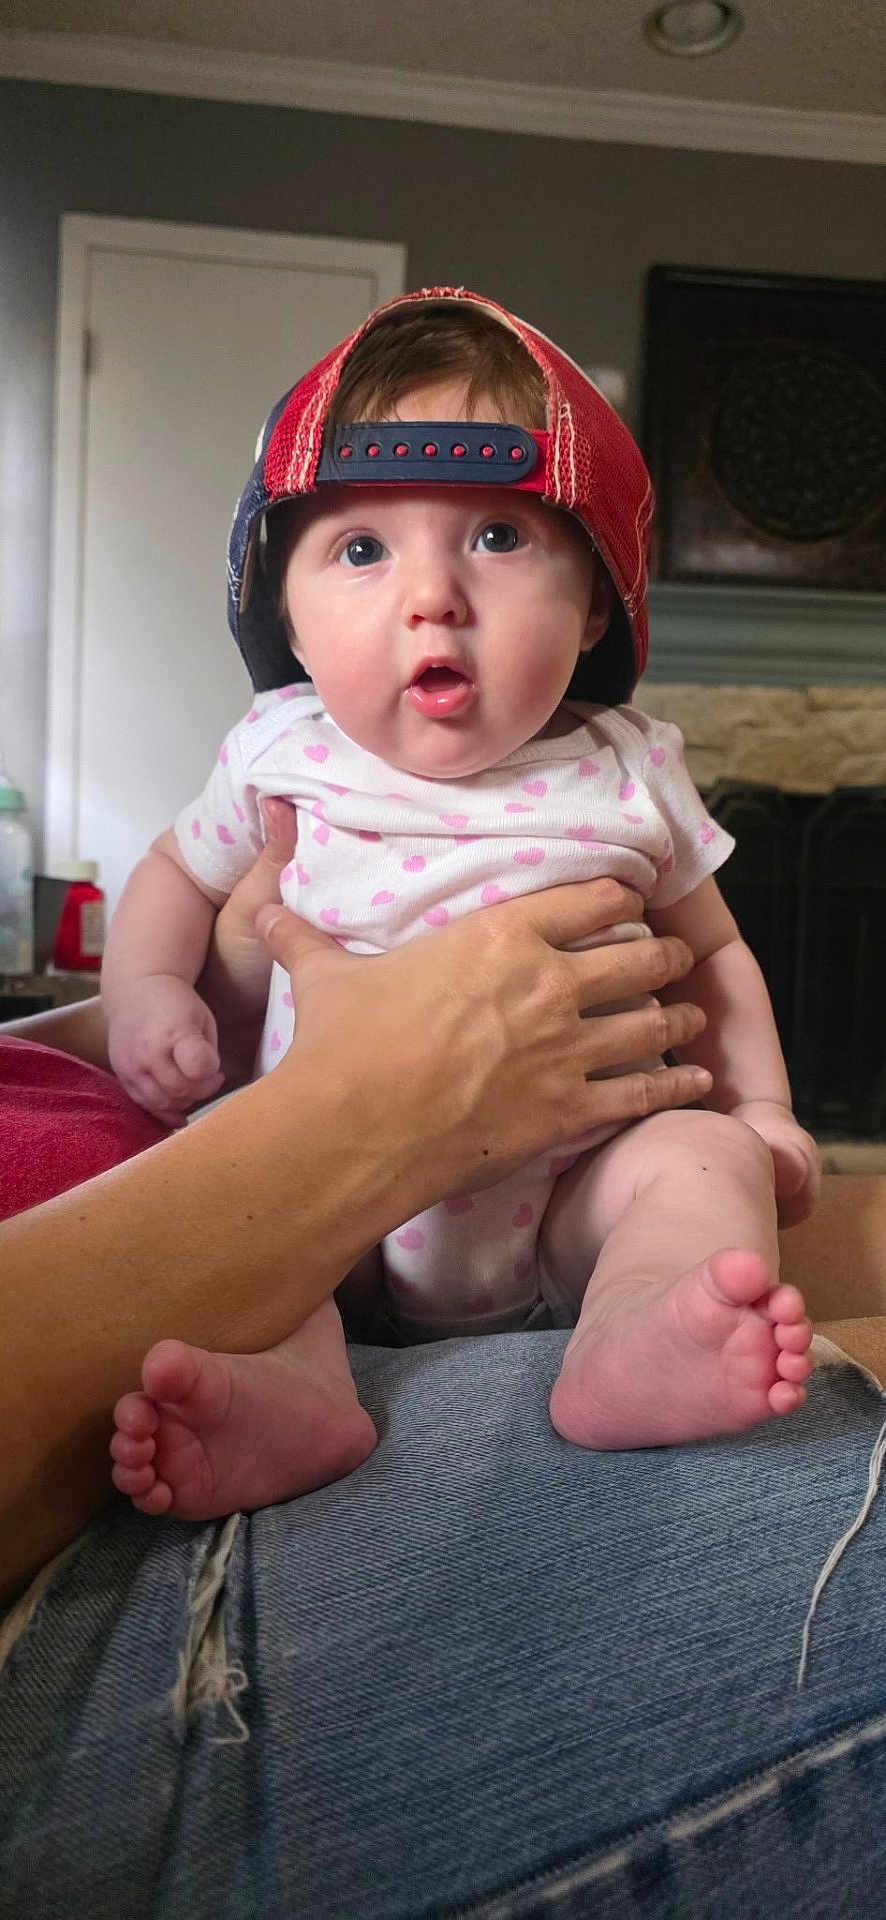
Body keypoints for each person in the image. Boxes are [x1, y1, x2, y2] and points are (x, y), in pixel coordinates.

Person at [99, 288, 818, 1517]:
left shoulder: (626, 764)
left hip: (572, 1201)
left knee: (698, 1162)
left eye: (495, 537)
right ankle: (297, 1395)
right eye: (362, 550)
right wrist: (150, 992)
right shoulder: (282, 750)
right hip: (330, 1191)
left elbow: (718, 956)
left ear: (594, 603)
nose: (430, 596)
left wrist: (761, 1109)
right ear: (286, 612)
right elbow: (173, 873)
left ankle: (634, 1334)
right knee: (220, 1206)